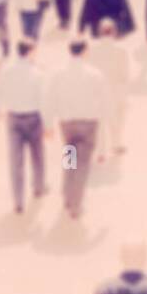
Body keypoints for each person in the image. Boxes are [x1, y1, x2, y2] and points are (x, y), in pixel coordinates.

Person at [44, 40, 105, 219]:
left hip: (67, 123)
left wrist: (48, 124)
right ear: (85, 52)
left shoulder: (57, 73)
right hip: (88, 123)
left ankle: (67, 193)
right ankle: (76, 204)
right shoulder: (95, 74)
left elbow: (50, 98)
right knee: (83, 165)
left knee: (69, 157)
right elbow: (103, 100)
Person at [0, 40, 47, 213]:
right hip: (34, 117)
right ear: (30, 52)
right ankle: (39, 187)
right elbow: (42, 99)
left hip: (14, 118)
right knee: (37, 155)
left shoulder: (6, 70)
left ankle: (18, 200)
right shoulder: (37, 73)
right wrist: (48, 123)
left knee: (16, 162)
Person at [87, 18, 130, 158]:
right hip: (116, 89)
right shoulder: (121, 51)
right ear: (115, 32)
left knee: (100, 121)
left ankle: (101, 150)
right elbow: (125, 73)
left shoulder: (92, 51)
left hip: (98, 91)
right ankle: (116, 144)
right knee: (117, 119)